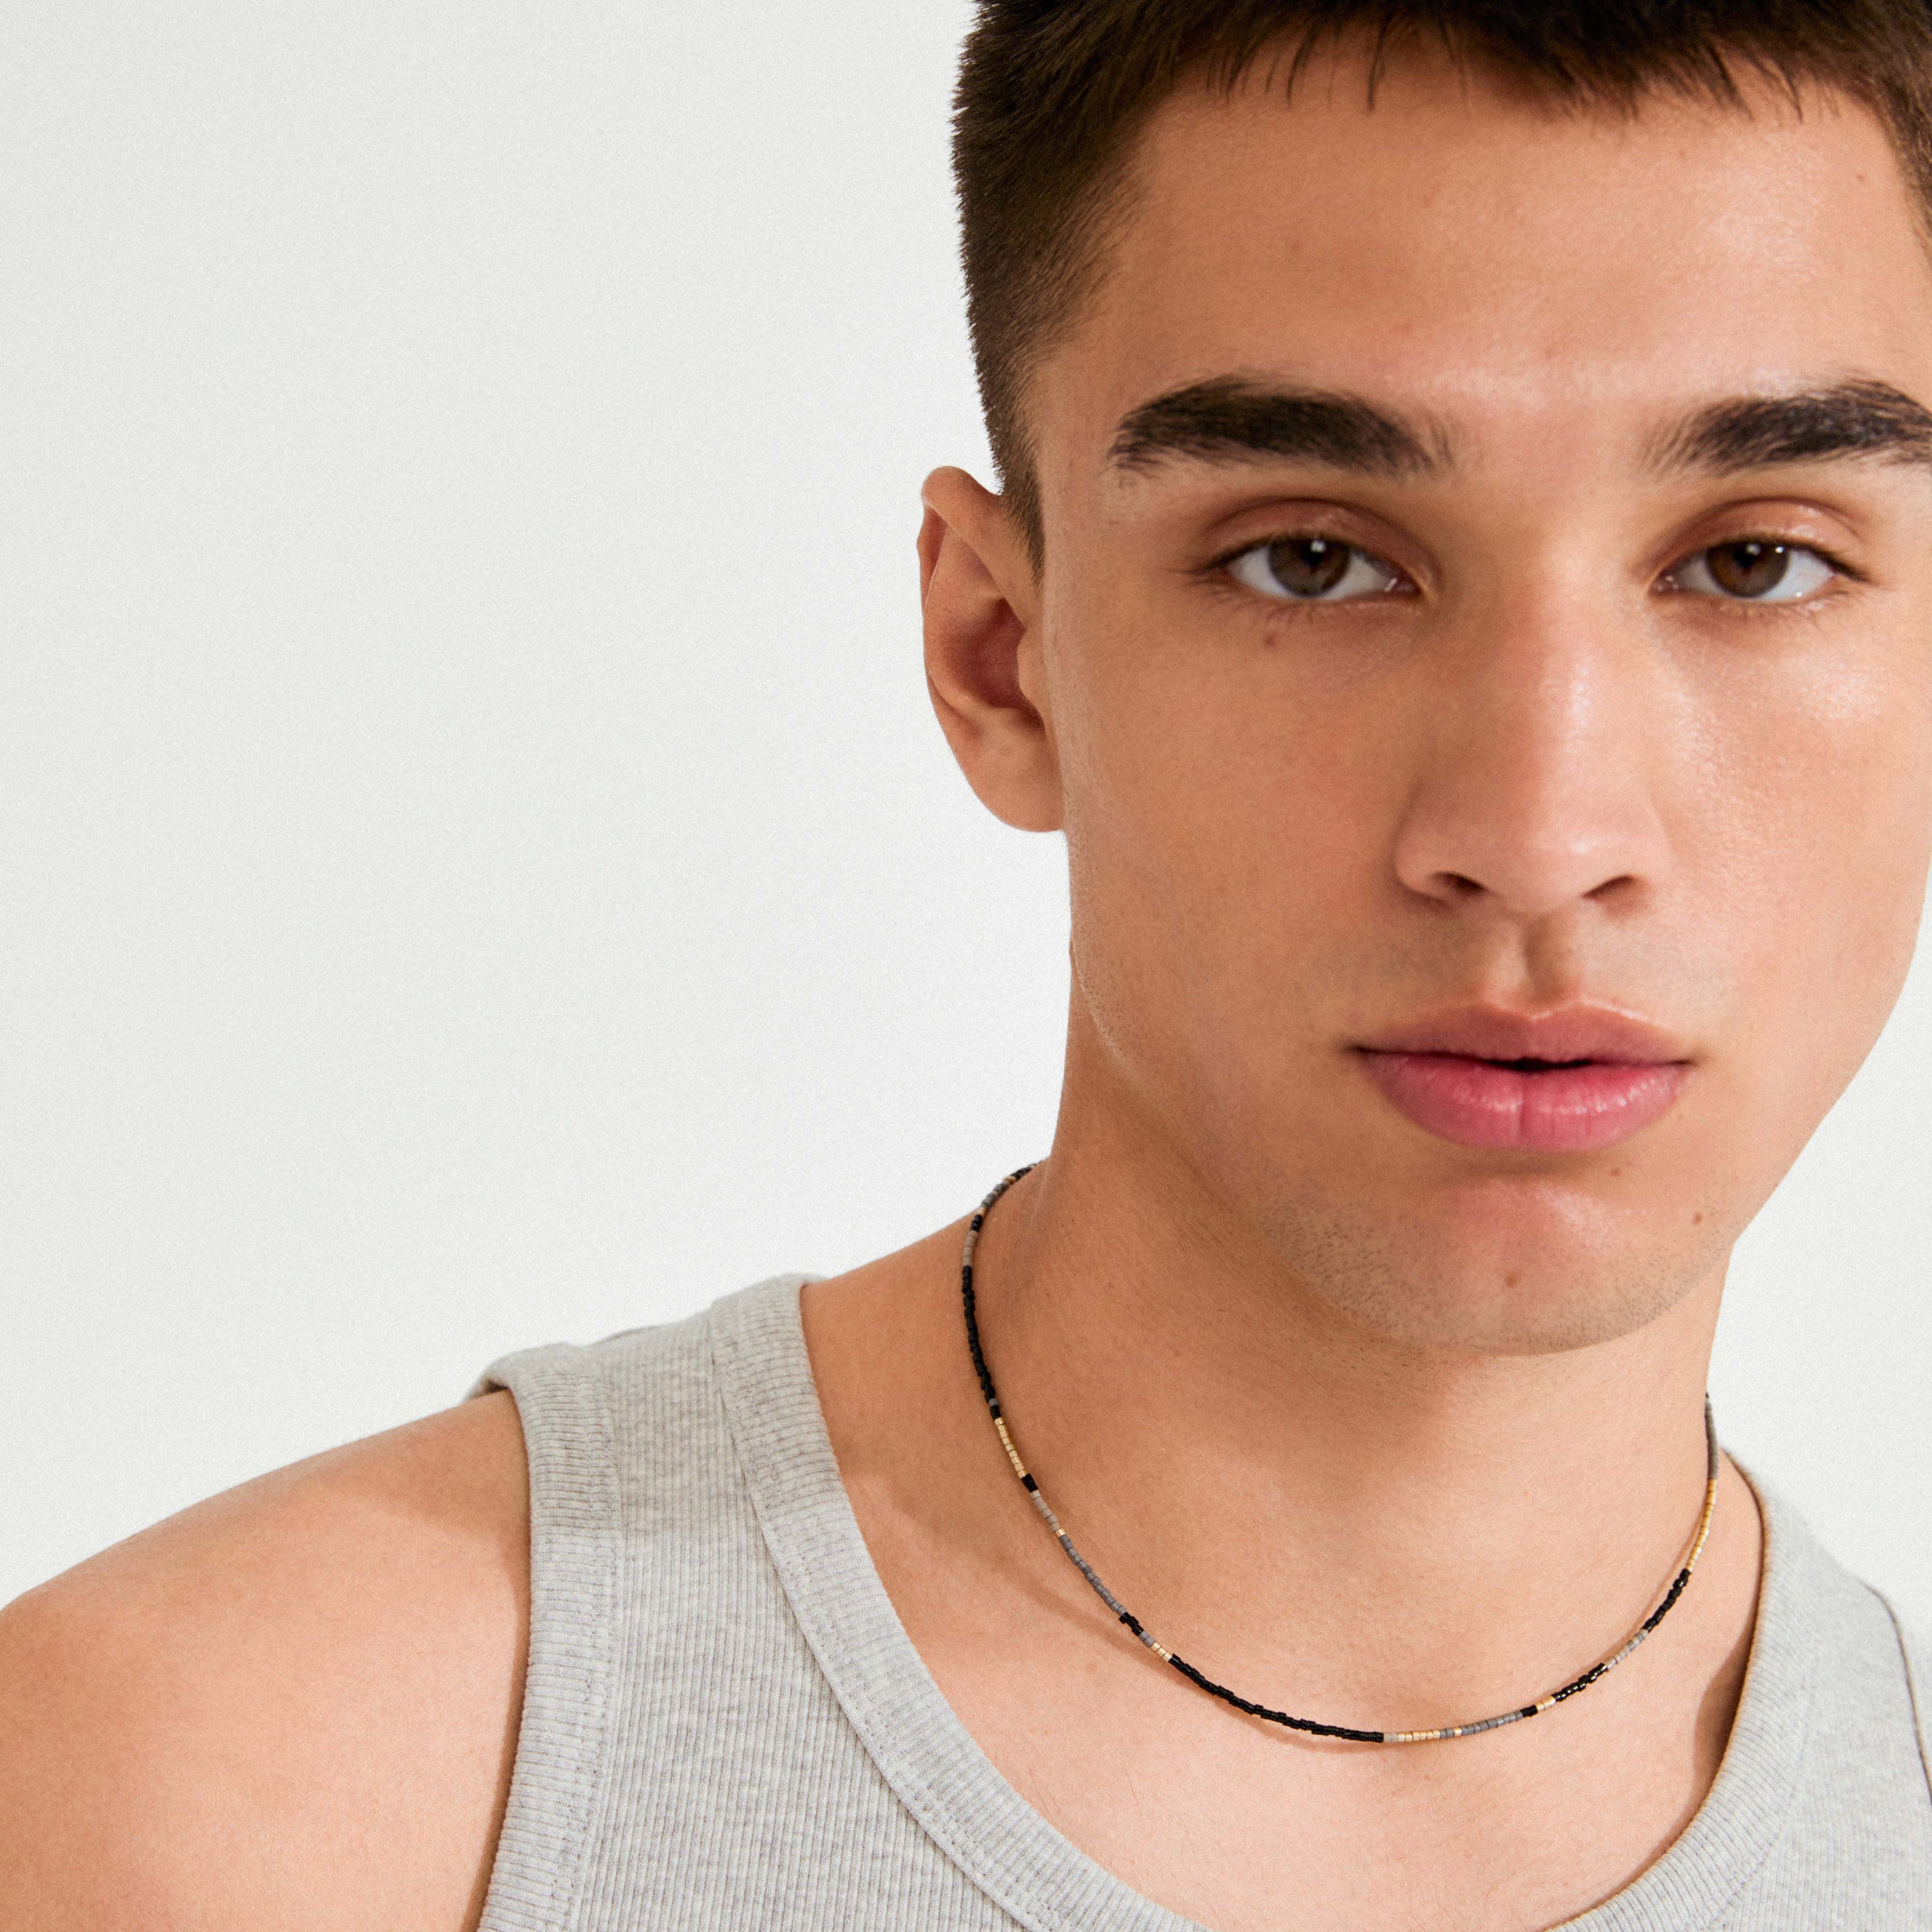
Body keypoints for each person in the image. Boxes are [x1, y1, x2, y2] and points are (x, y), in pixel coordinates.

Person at [5, 1, 1931, 1926]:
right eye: (1313, 559)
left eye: (1752, 561)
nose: (1535, 829)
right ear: (998, 656)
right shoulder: (234, 1800)